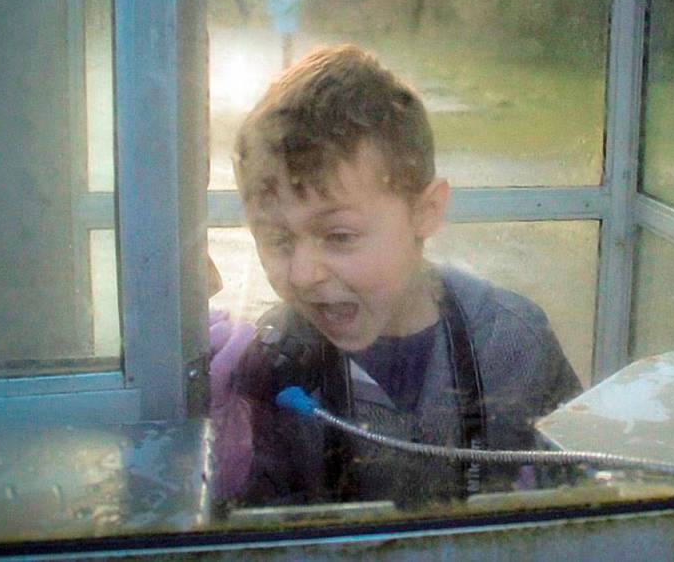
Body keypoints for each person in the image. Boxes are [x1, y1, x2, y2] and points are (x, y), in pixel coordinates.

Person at [217, 45, 582, 508]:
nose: (304, 275)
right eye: (277, 239)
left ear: (425, 212)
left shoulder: (513, 342)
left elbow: (586, 493)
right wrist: (225, 446)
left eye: (339, 235)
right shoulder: (271, 365)